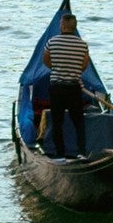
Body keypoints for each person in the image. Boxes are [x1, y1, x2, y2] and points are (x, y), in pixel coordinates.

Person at [35, 21, 94, 154]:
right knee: (78, 122)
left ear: (62, 26)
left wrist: (57, 69)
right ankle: (81, 153)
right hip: (74, 87)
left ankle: (60, 154)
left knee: (57, 122)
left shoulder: (52, 41)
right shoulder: (82, 44)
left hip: (57, 87)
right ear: (75, 27)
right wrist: (75, 70)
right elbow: (84, 64)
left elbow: (45, 60)